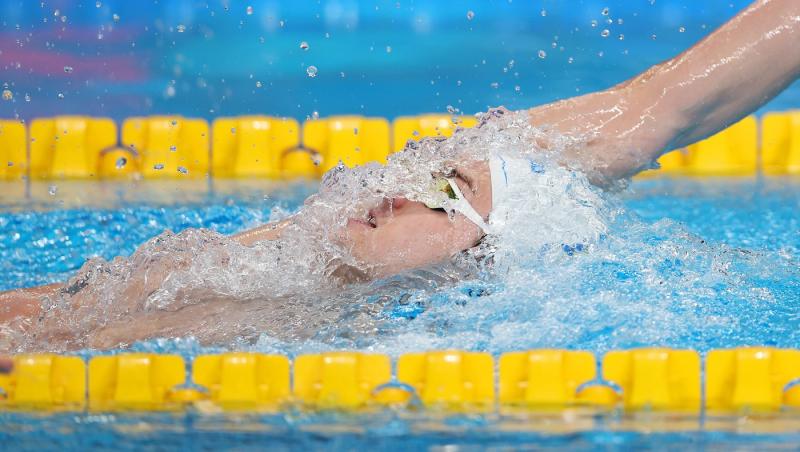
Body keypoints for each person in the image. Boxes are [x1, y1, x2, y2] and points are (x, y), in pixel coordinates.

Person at [1, 0, 799, 354]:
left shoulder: (323, 323)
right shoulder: (297, 253)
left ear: (477, 264)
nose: (390, 186)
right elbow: (62, 305)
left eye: (443, 195)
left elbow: (66, 348)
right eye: (428, 172)